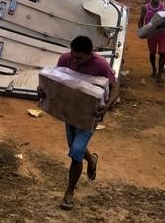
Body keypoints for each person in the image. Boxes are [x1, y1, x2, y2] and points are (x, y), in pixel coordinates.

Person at [38, 36, 119, 211]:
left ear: (90, 54)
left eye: (79, 58)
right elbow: (56, 81)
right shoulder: (65, 58)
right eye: (73, 56)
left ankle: (69, 192)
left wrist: (105, 108)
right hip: (69, 112)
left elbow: (115, 87)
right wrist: (44, 90)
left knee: (75, 152)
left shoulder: (101, 64)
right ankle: (91, 160)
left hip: (90, 115)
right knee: (76, 147)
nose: (74, 61)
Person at [138, 0, 165, 83]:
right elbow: (141, 20)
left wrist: (163, 25)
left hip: (162, 34)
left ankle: (159, 75)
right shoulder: (145, 7)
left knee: (162, 53)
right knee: (152, 54)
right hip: (151, 34)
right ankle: (154, 69)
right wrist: (141, 31)